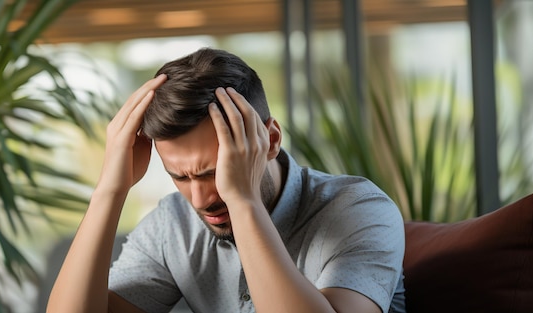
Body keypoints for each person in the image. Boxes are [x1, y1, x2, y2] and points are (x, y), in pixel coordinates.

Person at [47, 48, 406, 313]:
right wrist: (111, 190)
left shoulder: (361, 209)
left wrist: (244, 201)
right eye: (180, 176)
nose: (201, 198)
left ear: (271, 140)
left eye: (214, 171)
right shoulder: (172, 226)